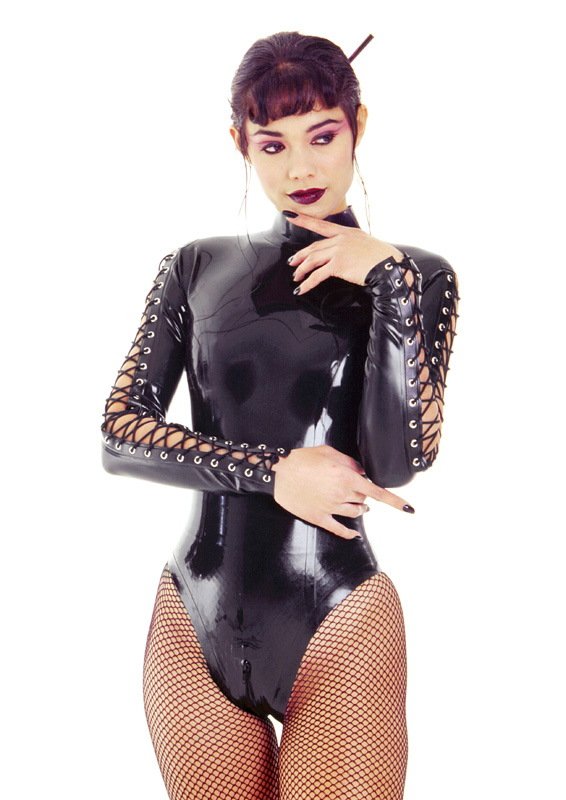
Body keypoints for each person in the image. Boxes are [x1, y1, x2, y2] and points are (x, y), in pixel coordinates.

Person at [100, 30, 460, 800]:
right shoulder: (195, 265)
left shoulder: (419, 276)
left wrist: (388, 283)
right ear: (241, 143)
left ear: (359, 126)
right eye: (273, 145)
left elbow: (397, 461)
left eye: (322, 137)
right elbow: (121, 432)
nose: (300, 169)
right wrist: (275, 472)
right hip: (191, 612)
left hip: (338, 620)